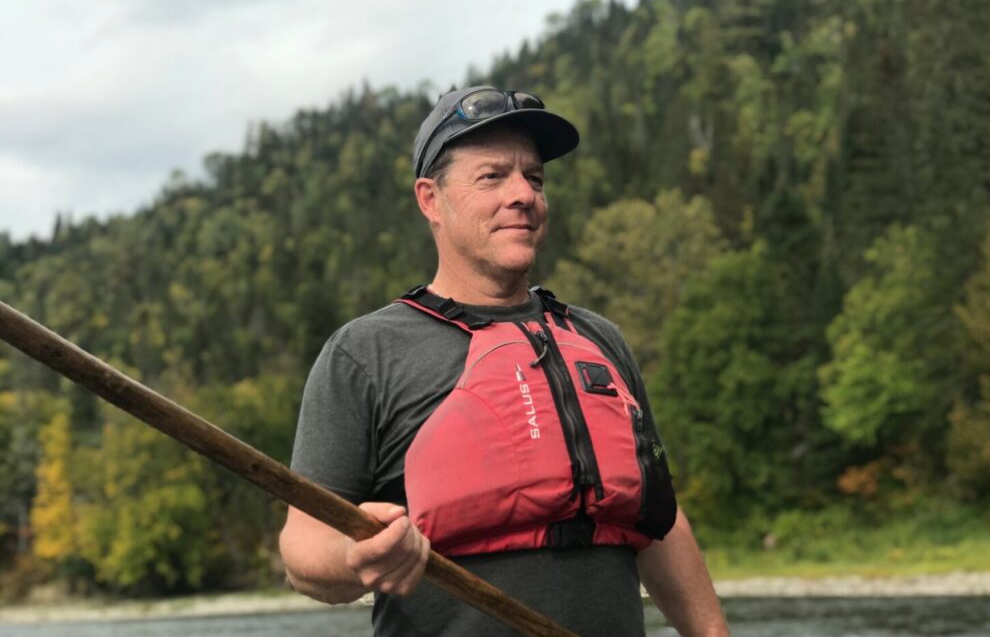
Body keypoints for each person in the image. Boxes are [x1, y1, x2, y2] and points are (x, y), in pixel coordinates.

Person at [278, 86, 730, 636]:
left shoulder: (599, 338)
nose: (523, 194)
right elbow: (303, 548)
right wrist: (353, 561)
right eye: (492, 176)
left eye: (534, 178)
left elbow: (661, 521)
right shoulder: (364, 353)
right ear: (430, 199)